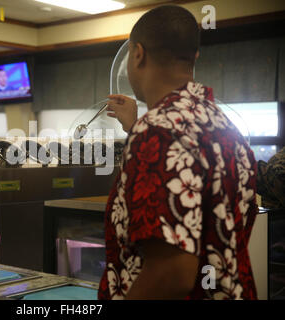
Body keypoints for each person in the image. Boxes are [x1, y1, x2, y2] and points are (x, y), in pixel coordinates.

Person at [100, 5, 258, 300]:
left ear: (138, 54)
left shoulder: (157, 132)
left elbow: (172, 271)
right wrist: (136, 128)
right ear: (193, 58)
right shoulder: (224, 125)